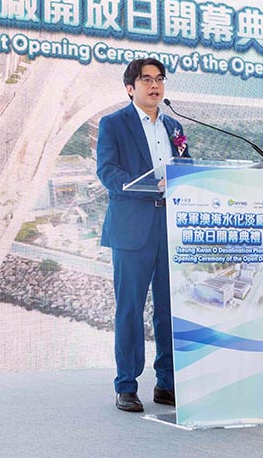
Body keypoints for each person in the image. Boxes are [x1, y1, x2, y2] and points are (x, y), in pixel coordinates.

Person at [96, 58, 188, 413]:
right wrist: (145, 185)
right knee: (130, 310)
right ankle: (126, 385)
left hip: (170, 227)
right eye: (146, 79)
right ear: (130, 88)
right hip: (132, 228)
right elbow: (107, 171)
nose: (155, 85)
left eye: (160, 79)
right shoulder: (113, 124)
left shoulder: (174, 126)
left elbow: (186, 167)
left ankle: (167, 383)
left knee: (169, 309)